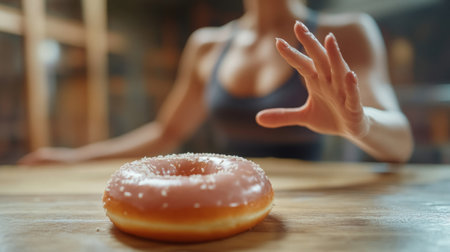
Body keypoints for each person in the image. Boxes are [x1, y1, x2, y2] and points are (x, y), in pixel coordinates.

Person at [19, 0, 413, 165]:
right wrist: (72, 159)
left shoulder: (347, 32)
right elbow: (164, 133)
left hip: (325, 222)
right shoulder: (207, 45)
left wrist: (360, 126)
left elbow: (402, 145)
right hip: (228, 208)